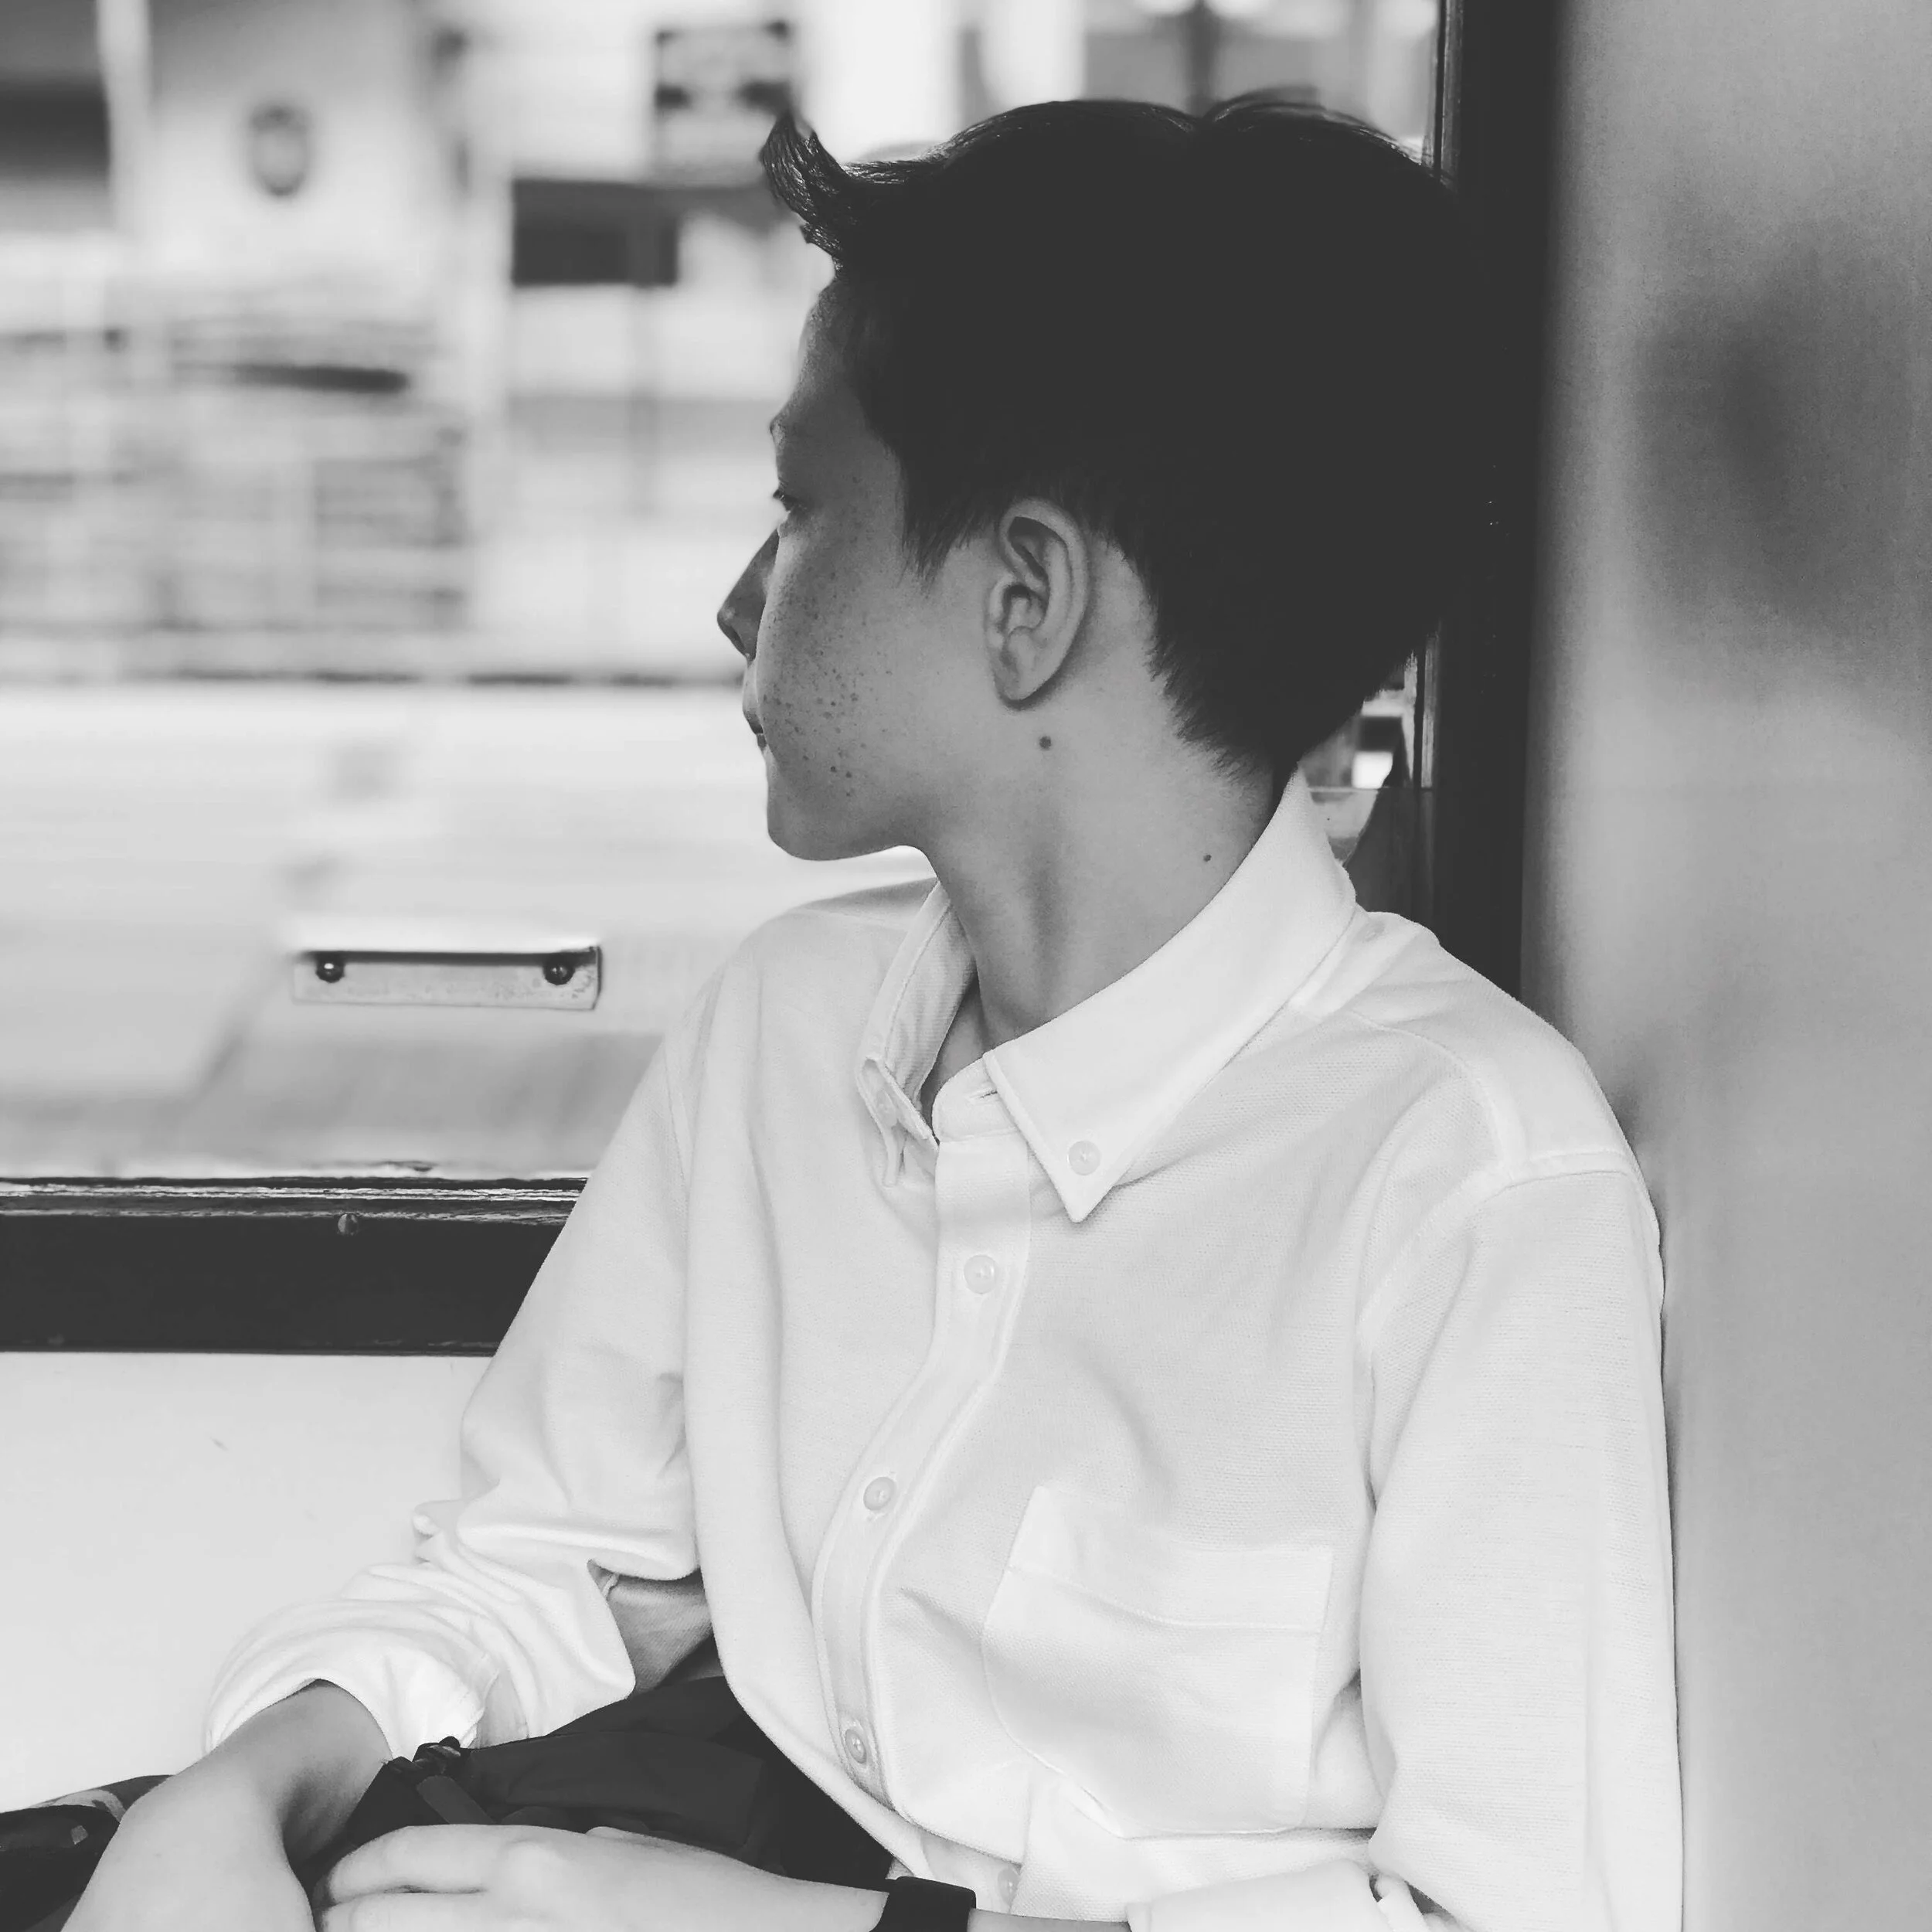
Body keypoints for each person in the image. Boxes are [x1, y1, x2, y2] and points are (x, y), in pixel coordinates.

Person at [70, 97, 1680, 1932]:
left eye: (800, 509)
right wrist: (234, 1792)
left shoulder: (1467, 1184)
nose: (735, 602)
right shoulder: (781, 1024)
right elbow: (551, 1562)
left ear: (1022, 601)